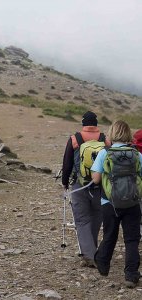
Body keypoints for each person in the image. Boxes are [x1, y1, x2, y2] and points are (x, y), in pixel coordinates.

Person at [91, 120, 142, 288]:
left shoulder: (104, 153)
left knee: (110, 235)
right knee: (132, 239)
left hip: (109, 202)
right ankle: (131, 275)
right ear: (128, 134)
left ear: (112, 133)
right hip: (133, 203)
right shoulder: (136, 154)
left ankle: (103, 264)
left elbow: (96, 179)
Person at [62, 111, 110, 267]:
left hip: (79, 184)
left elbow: (67, 163)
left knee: (82, 220)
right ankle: (92, 251)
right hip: (100, 184)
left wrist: (65, 182)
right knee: (97, 216)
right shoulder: (104, 139)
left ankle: (89, 255)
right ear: (95, 124)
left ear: (83, 124)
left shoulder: (75, 139)